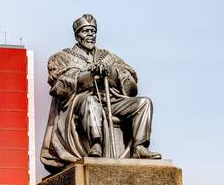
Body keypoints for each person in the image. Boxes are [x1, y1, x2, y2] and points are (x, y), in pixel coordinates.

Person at [40, 13, 160, 170]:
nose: (90, 34)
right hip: (81, 101)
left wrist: (112, 72)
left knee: (144, 103)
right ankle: (95, 144)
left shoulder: (108, 57)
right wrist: (89, 75)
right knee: (91, 102)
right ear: (77, 35)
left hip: (112, 100)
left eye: (92, 31)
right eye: (85, 31)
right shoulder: (63, 57)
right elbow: (59, 88)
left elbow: (131, 86)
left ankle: (140, 147)